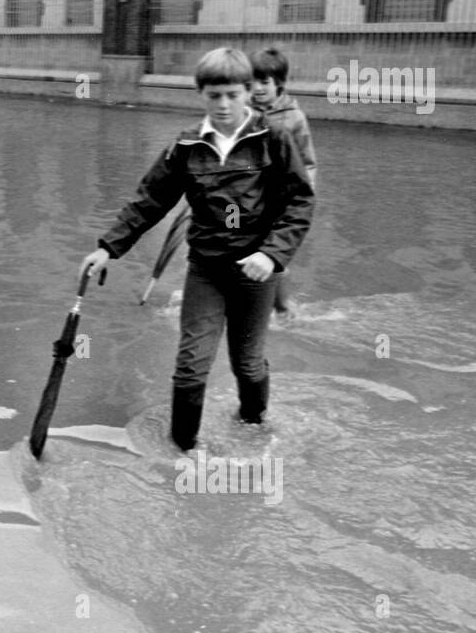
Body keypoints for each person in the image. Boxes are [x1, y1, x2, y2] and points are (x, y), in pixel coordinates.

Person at [80, 48, 314, 452]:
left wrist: (271, 255)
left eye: (232, 95)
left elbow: (300, 201)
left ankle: (253, 430)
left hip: (256, 272)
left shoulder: (274, 139)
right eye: (213, 96)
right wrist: (108, 248)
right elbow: (150, 200)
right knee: (190, 365)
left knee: (248, 362)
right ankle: (183, 452)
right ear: (201, 95)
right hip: (205, 270)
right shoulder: (186, 145)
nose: (223, 105)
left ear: (247, 93)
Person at [248, 46, 317, 324]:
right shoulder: (243, 113)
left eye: (264, 82)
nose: (258, 88)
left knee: (274, 252)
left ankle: (283, 307)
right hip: (248, 199)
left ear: (279, 84)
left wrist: (299, 199)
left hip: (280, 201)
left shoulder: (293, 118)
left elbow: (308, 163)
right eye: (252, 81)